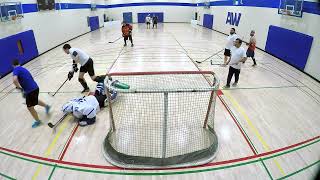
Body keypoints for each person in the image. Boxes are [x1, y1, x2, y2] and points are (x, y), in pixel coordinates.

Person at [12, 59, 50, 128]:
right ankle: (47, 106)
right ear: (19, 63)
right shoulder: (23, 69)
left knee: (30, 107)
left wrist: (21, 89)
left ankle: (38, 121)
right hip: (35, 87)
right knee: (34, 101)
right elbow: (30, 78)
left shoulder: (16, 70)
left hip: (30, 91)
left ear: (13, 65)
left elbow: (14, 80)